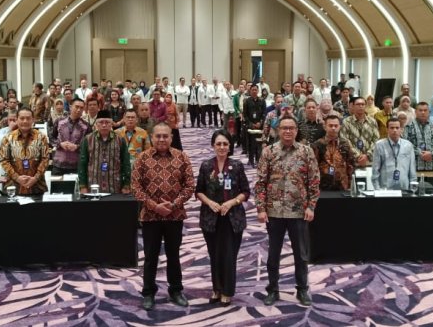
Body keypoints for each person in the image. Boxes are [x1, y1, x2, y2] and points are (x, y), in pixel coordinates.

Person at [255, 116, 320, 307]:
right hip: (274, 211)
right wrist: (260, 208)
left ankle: (302, 289)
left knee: (301, 254)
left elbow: (314, 181)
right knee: (273, 254)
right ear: (278, 130)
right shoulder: (268, 152)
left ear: (296, 131)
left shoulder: (306, 152)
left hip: (299, 212)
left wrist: (311, 206)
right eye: (284, 128)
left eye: (291, 128)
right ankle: (273, 290)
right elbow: (260, 183)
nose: (288, 132)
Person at [132, 123, 195, 311]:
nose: (161, 139)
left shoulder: (181, 157)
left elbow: (190, 185)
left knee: (173, 255)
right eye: (158, 136)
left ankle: (175, 290)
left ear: (171, 137)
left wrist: (173, 205)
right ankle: (148, 292)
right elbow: (136, 187)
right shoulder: (142, 159)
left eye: (165, 136)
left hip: (175, 216)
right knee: (150, 257)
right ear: (152, 137)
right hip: (150, 217)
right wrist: (155, 206)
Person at [196, 130, 250, 306]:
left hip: (232, 218)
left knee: (228, 255)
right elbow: (198, 191)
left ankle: (227, 290)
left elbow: (246, 192)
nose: (221, 147)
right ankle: (216, 288)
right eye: (218, 144)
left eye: (225, 144)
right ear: (213, 145)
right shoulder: (205, 166)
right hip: (210, 218)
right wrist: (210, 202)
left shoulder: (237, 165)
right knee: (214, 255)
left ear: (230, 146)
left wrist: (232, 202)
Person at [0, 108, 50, 195]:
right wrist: (17, 178)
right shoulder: (8, 138)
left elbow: (45, 159)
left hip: (37, 186)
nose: (25, 121)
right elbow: (4, 160)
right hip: (13, 186)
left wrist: (35, 178)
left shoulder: (41, 137)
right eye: (22, 118)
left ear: (33, 120)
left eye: (28, 118)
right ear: (17, 120)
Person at [78, 110, 131, 194]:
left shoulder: (120, 140)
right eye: (101, 122)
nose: (104, 125)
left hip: (115, 186)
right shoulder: (88, 140)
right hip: (93, 185)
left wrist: (126, 185)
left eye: (107, 122)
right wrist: (83, 185)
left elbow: (126, 163)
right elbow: (82, 163)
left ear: (111, 124)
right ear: (96, 124)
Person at [372, 117, 417, 190]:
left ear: (401, 129)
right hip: (385, 189)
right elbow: (375, 170)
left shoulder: (408, 145)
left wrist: (413, 188)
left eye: (397, 128)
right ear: (387, 129)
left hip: (404, 188)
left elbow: (412, 169)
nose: (395, 130)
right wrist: (377, 190)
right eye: (392, 128)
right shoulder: (379, 145)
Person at [312, 115, 355, 190]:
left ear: (340, 127)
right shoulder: (317, 145)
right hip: (322, 186)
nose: (333, 128)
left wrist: (350, 183)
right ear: (325, 127)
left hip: (343, 185)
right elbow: (313, 168)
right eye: (330, 125)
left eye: (336, 126)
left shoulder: (345, 143)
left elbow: (350, 164)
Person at [51, 98, 91, 176]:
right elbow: (51, 138)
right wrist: (60, 144)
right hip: (59, 164)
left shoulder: (86, 126)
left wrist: (77, 147)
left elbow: (89, 144)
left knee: (75, 188)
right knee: (56, 187)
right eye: (76, 107)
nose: (79, 110)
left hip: (77, 165)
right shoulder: (59, 121)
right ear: (70, 107)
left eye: (81, 108)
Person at [403, 101, 433, 172]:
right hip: (414, 166)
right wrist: (420, 153)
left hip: (431, 165)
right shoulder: (408, 126)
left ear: (429, 112)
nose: (423, 112)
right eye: (420, 110)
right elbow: (406, 144)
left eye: (425, 110)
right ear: (415, 112)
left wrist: (431, 153)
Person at [342, 96, 379, 168]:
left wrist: (367, 155)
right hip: (352, 161)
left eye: (363, 104)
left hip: (369, 161)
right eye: (358, 104)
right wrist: (358, 155)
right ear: (353, 106)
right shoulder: (346, 121)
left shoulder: (372, 121)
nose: (361, 106)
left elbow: (376, 140)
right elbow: (344, 140)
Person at [243, 85, 266, 166]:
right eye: (252, 90)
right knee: (250, 143)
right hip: (250, 126)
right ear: (250, 91)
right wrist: (251, 124)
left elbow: (264, 113)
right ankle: (250, 160)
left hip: (260, 125)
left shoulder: (262, 101)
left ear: (258, 91)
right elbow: (245, 115)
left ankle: (258, 159)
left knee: (258, 144)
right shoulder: (246, 101)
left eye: (256, 90)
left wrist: (260, 122)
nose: (254, 91)